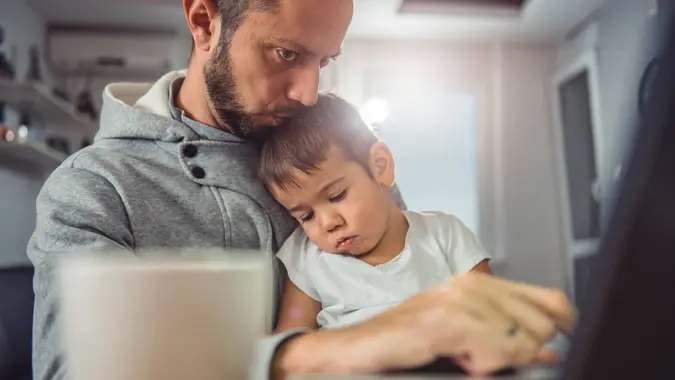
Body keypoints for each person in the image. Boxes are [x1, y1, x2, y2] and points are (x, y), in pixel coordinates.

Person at [27, 0, 575, 379]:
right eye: (287, 54)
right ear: (203, 22)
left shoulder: (329, 149)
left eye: (324, 61)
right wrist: (321, 354)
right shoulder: (93, 191)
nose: (309, 93)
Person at [259, 94, 493, 332]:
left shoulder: (445, 233)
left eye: (337, 195)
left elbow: (492, 317)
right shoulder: (306, 256)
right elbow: (289, 342)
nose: (329, 223)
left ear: (380, 166)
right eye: (306, 216)